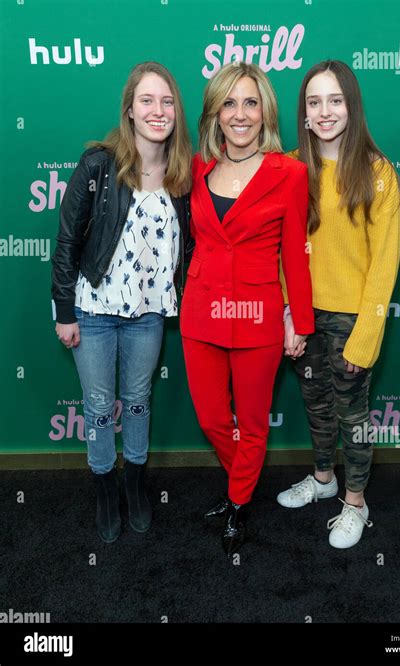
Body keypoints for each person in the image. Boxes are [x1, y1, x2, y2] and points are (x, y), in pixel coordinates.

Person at [51, 62, 193, 543]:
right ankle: (105, 488)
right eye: (148, 101)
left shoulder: (182, 175)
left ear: (176, 111)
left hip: (148, 315)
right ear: (129, 110)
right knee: (96, 406)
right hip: (92, 311)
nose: (158, 110)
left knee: (136, 402)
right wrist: (64, 311)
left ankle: (135, 482)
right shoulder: (98, 164)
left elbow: (189, 248)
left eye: (167, 101)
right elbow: (68, 240)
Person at [180, 62, 314, 557]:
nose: (240, 114)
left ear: (265, 112)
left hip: (258, 316)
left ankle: (237, 502)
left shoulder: (291, 173)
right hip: (200, 311)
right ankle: (244, 483)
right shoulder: (197, 169)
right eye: (229, 103)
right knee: (214, 418)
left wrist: (299, 321)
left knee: (253, 424)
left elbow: (296, 253)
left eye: (250, 103)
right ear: (215, 113)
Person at [278, 60, 400, 548]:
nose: (324, 111)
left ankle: (355, 502)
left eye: (334, 100)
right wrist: (289, 314)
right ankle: (324, 479)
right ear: (304, 112)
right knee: (318, 408)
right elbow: (281, 252)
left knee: (354, 417)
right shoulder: (289, 169)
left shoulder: (377, 173)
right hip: (304, 317)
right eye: (314, 102)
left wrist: (365, 337)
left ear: (351, 106)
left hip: (352, 319)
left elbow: (384, 265)